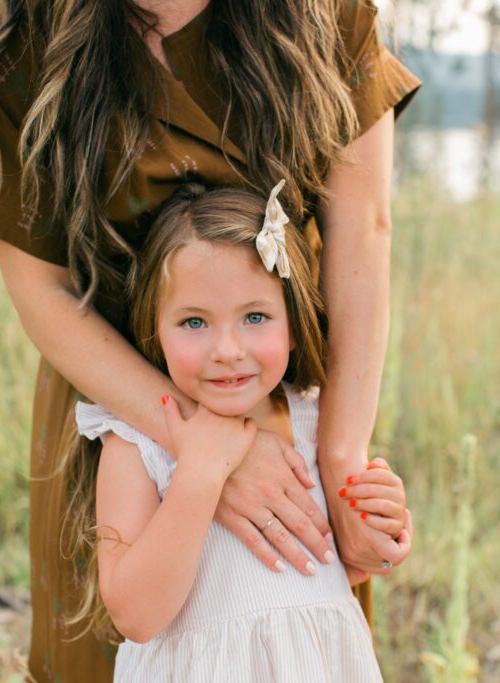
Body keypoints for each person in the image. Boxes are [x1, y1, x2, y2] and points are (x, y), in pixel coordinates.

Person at [0, 0, 421, 678]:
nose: (225, 343)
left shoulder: (327, 12)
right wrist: (199, 450)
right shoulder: (26, 30)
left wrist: (344, 460)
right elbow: (41, 284)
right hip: (120, 385)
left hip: (289, 387)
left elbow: (362, 225)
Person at [69, 183, 410, 681]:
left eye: (255, 317)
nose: (227, 349)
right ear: (154, 330)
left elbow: (342, 565)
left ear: (293, 323)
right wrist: (201, 473)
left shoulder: (317, 424)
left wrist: (383, 525)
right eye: (193, 322)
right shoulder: (139, 442)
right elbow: (135, 616)